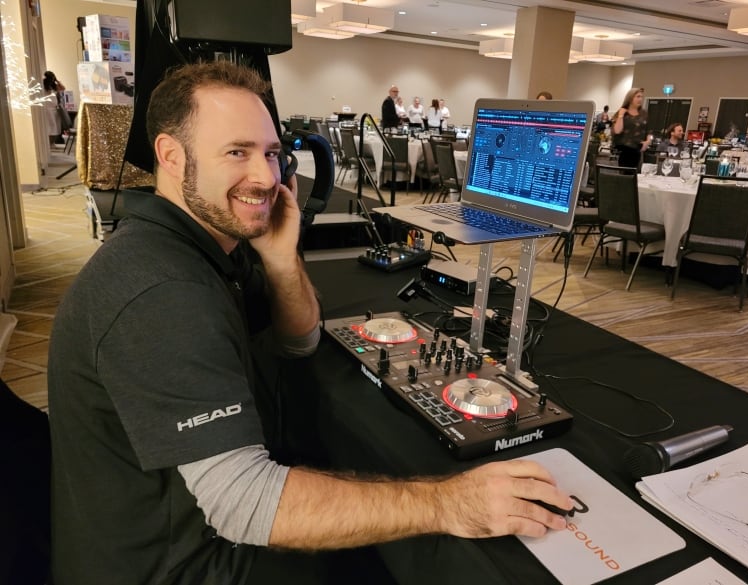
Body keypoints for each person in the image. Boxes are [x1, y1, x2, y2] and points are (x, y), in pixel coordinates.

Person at [48, 61, 573, 584]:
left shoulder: (203, 245)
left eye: (273, 154)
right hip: (181, 565)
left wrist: (279, 258)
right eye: (237, 152)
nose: (265, 178)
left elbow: (299, 341)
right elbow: (242, 503)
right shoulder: (160, 291)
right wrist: (448, 503)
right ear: (170, 155)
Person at [611, 87, 651, 169]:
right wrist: (621, 115)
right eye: (638, 96)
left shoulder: (644, 113)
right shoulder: (622, 112)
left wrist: (648, 141)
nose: (640, 99)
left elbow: (649, 130)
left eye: (641, 97)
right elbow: (617, 131)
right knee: (623, 176)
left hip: (638, 151)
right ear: (630, 98)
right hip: (623, 151)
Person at [42, 70, 66, 145]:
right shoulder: (42, 85)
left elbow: (63, 88)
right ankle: (48, 144)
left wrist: (57, 81)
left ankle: (51, 143)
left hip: (54, 110)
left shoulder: (53, 86)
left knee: (55, 128)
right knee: (49, 128)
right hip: (47, 110)